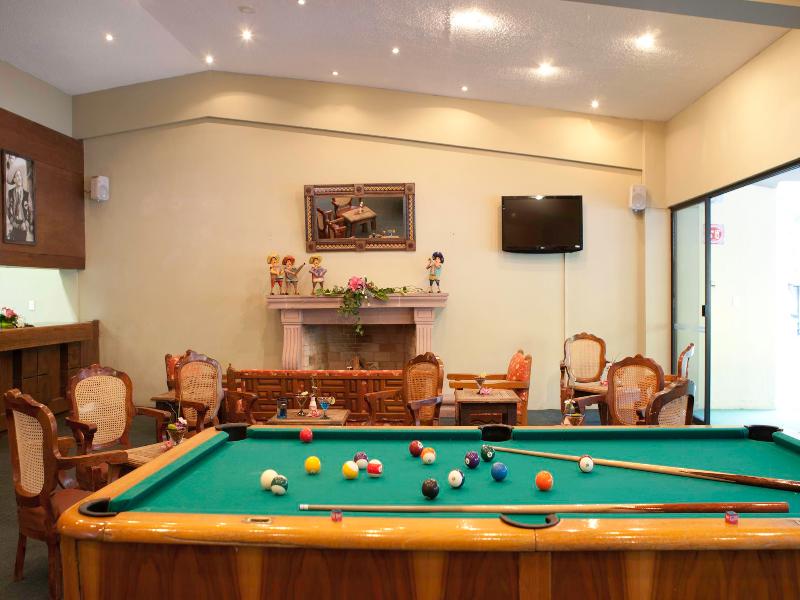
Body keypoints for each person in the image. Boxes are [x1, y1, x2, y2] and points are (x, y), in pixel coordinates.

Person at [5, 168, 33, 243]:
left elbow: (31, 211)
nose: (19, 178)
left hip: (24, 225)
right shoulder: (10, 193)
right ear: (14, 179)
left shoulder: (27, 194)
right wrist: (13, 223)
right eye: (17, 176)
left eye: (20, 175)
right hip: (14, 224)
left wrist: (27, 223)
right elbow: (7, 209)